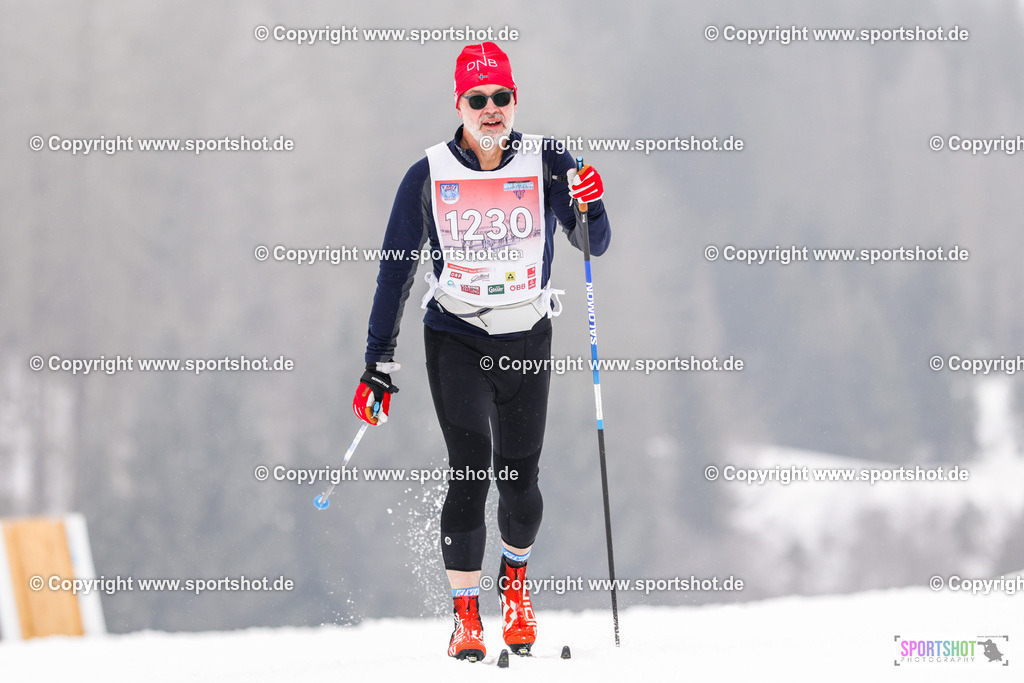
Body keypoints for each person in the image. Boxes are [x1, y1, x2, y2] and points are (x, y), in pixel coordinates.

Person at [352, 41, 610, 662]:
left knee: (520, 481)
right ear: (460, 105)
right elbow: (395, 272)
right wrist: (377, 363)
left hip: (527, 336)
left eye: (501, 98)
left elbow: (593, 244)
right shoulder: (429, 174)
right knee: (469, 471)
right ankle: (467, 617)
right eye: (478, 99)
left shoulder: (552, 161)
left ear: (515, 100)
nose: (491, 110)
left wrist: (592, 203)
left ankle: (514, 584)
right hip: (457, 337)